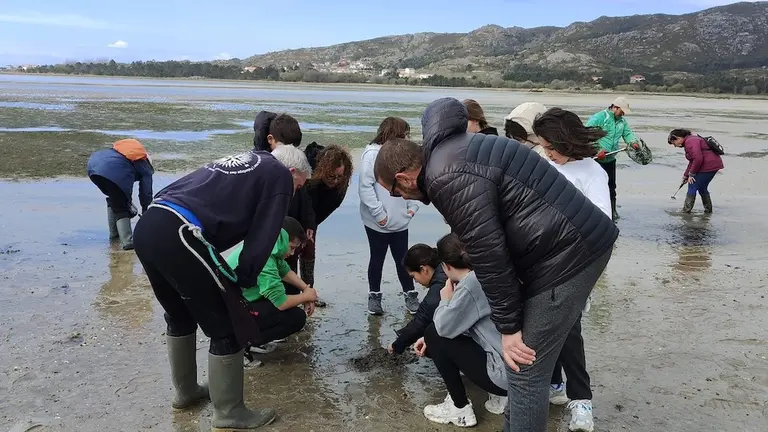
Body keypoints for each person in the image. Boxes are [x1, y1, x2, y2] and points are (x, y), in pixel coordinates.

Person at [373, 97, 619, 432]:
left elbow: (489, 254)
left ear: (403, 178)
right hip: (561, 248)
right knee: (522, 367)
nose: (399, 198)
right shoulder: (451, 151)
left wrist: (509, 330)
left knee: (524, 367)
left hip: (571, 255)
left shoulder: (446, 176)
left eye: (394, 191)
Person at [133, 143, 312, 430]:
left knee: (180, 316)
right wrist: (242, 281)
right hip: (182, 231)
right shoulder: (279, 175)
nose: (295, 193)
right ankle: (229, 412)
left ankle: (186, 392)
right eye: (299, 186)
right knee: (229, 324)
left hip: (150, 224)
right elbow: (263, 236)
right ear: (292, 172)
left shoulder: (253, 160)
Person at [533, 107, 611, 432]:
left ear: (567, 141)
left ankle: (582, 402)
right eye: (543, 147)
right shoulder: (542, 164)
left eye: (552, 147)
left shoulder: (592, 173)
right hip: (537, 263)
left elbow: (602, 224)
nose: (547, 154)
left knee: (569, 333)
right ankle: (554, 386)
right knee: (538, 330)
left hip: (572, 266)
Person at [417, 234, 508, 427]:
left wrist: (445, 299)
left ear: (446, 266)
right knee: (437, 335)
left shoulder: (470, 285)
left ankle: (459, 408)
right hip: (520, 367)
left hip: (503, 376)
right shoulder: (490, 272)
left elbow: (442, 329)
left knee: (433, 333)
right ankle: (500, 399)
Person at [225, 217, 317, 360]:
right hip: (230, 312)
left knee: (288, 290)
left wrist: (306, 289)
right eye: (292, 247)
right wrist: (307, 297)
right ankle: (241, 343)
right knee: (296, 318)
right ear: (281, 240)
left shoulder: (264, 246)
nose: (292, 253)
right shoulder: (263, 259)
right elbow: (281, 303)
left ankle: (249, 337)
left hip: (237, 302)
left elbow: (284, 271)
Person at [359, 117, 420, 316]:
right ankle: (374, 296)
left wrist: (412, 207)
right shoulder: (372, 154)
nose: (407, 138)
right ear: (395, 134)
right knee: (377, 258)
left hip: (401, 220)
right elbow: (365, 187)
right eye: (405, 134)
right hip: (377, 222)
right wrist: (379, 214)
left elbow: (413, 182)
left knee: (403, 258)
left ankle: (410, 294)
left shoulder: (403, 154)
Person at [293, 144, 353, 305]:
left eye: (339, 176)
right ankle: (290, 293)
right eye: (331, 176)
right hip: (294, 213)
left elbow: (325, 210)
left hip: (315, 217)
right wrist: (304, 226)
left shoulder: (341, 183)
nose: (335, 181)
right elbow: (303, 202)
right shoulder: (308, 174)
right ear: (322, 170)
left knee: (308, 251)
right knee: (290, 252)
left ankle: (309, 292)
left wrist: (311, 227)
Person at [86, 138, 154, 250]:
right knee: (122, 207)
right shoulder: (145, 167)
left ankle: (114, 235)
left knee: (115, 199)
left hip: (93, 167)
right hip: (114, 171)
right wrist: (146, 210)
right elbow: (146, 193)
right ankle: (128, 241)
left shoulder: (122, 155)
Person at [387, 243, 448, 355]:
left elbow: (422, 319)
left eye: (413, 276)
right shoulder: (445, 268)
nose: (415, 281)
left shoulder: (440, 286)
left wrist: (396, 345)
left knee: (430, 337)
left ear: (423, 269)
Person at [585, 97, 640, 221]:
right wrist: (597, 150)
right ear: (615, 107)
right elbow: (587, 134)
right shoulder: (599, 117)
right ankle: (592, 212)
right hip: (595, 159)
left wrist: (633, 142)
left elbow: (627, 133)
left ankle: (612, 211)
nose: (623, 114)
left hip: (610, 159)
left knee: (611, 187)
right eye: (622, 111)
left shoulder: (622, 122)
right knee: (594, 186)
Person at [668, 129, 724, 214]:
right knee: (702, 188)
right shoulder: (691, 139)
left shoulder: (690, 142)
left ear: (678, 138)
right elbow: (692, 161)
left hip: (707, 165)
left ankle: (686, 211)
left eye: (674, 143)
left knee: (692, 185)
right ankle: (708, 211)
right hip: (714, 164)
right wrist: (686, 175)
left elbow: (698, 159)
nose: (675, 146)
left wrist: (691, 175)